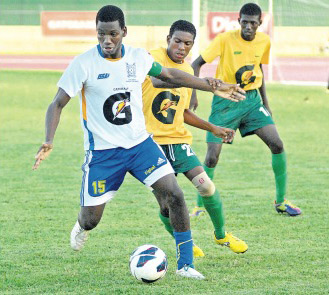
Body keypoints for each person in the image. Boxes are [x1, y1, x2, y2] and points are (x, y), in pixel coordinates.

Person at [32, 5, 245, 280]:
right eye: (100, 35)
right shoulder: (83, 63)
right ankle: (81, 226)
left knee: (175, 195)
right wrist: (48, 139)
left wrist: (210, 85)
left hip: (140, 145)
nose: (107, 41)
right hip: (103, 153)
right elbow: (57, 103)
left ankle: (186, 265)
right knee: (91, 220)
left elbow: (169, 75)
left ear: (124, 32)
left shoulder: (136, 58)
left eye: (112, 34)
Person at [142, 20, 248, 257]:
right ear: (168, 38)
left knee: (206, 186)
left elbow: (184, 112)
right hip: (150, 145)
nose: (181, 47)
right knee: (167, 205)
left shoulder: (189, 71)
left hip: (178, 141)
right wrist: (207, 86)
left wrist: (214, 128)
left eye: (187, 43)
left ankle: (221, 235)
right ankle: (184, 245)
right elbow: (160, 80)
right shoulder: (153, 56)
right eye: (177, 41)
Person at [190, 3, 301, 217]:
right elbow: (196, 64)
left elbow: (257, 69)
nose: (248, 27)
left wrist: (266, 103)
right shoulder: (224, 39)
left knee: (277, 144)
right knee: (212, 157)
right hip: (225, 101)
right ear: (238, 20)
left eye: (253, 23)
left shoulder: (264, 41)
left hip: (252, 101)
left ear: (260, 23)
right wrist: (194, 93)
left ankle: (281, 201)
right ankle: (199, 206)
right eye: (244, 22)